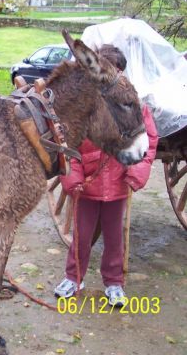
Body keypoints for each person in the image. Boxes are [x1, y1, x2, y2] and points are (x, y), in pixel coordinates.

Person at [54, 44, 158, 306]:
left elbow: (149, 140)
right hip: (87, 185)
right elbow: (67, 144)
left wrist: (137, 170)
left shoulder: (134, 105)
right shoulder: (86, 106)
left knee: (115, 236)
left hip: (118, 183)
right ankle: (73, 278)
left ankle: (114, 283)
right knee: (82, 234)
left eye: (120, 71)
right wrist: (72, 177)